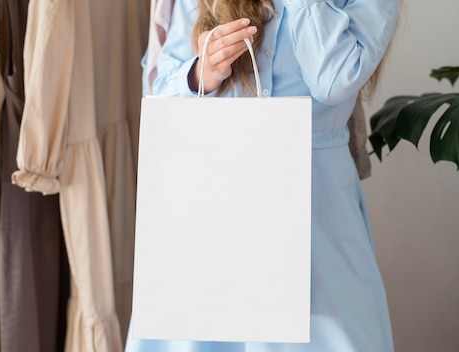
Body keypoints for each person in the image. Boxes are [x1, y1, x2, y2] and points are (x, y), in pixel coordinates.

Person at [126, 0, 400, 350]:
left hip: (318, 213)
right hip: (211, 202)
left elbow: (333, 80)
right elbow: (160, 90)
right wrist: (201, 73)